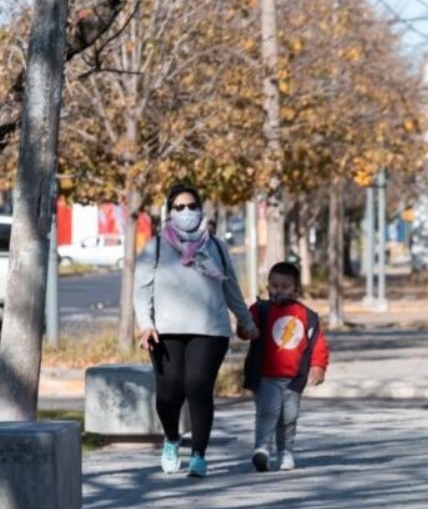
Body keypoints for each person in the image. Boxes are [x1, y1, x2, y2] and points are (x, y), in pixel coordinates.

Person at [135, 183, 259, 478]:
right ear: (169, 212)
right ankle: (172, 438)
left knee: (197, 387)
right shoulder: (155, 247)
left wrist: (247, 321)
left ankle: (199, 455)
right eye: (179, 207)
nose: (187, 212)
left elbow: (231, 287)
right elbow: (141, 291)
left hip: (211, 330)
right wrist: (146, 325)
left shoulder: (215, 246)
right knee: (168, 394)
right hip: (165, 331)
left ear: (201, 209)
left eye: (192, 206)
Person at [243, 262, 329, 472]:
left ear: (295, 290)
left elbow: (318, 343)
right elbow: (245, 328)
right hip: (265, 374)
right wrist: (245, 326)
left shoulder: (307, 316)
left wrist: (318, 365)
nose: (278, 290)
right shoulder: (260, 310)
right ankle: (262, 449)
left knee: (289, 416)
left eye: (284, 286)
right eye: (274, 285)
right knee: (268, 412)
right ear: (268, 287)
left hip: (293, 378)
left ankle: (285, 451)